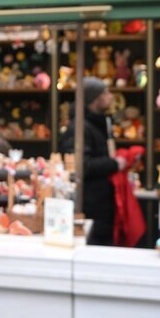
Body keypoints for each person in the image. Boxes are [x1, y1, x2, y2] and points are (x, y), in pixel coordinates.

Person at [59, 77, 128, 246]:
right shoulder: (80, 126)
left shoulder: (96, 123)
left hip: (101, 204)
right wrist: (114, 164)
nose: (110, 96)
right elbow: (82, 165)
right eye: (105, 92)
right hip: (91, 205)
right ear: (94, 98)